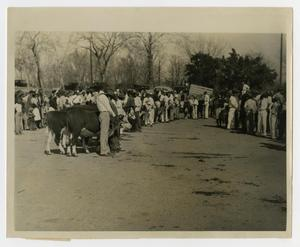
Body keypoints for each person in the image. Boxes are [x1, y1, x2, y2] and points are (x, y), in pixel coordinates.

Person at [96, 89, 116, 156]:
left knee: (104, 132)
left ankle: (106, 149)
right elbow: (108, 107)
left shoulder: (98, 97)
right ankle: (104, 151)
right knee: (104, 133)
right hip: (105, 114)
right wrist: (113, 114)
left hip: (101, 114)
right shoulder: (103, 97)